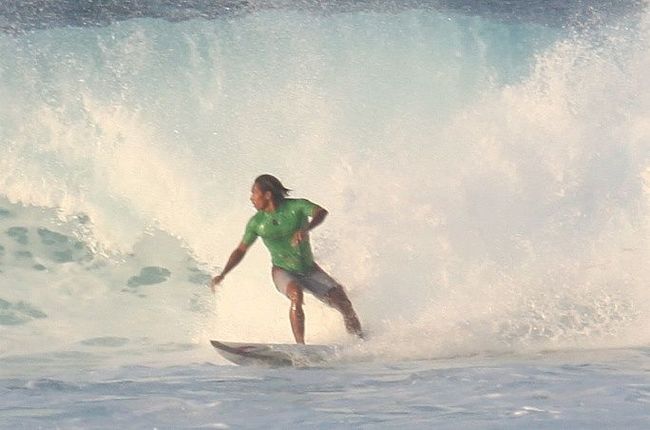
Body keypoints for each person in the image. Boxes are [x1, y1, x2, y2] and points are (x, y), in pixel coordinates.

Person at [211, 174, 363, 344]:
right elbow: (240, 250)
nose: (251, 198)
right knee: (296, 294)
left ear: (267, 195)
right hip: (282, 271)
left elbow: (320, 212)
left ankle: (360, 342)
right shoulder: (257, 223)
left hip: (309, 270)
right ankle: (300, 347)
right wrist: (223, 273)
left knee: (344, 304)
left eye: (254, 193)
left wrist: (306, 229)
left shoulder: (297, 207)